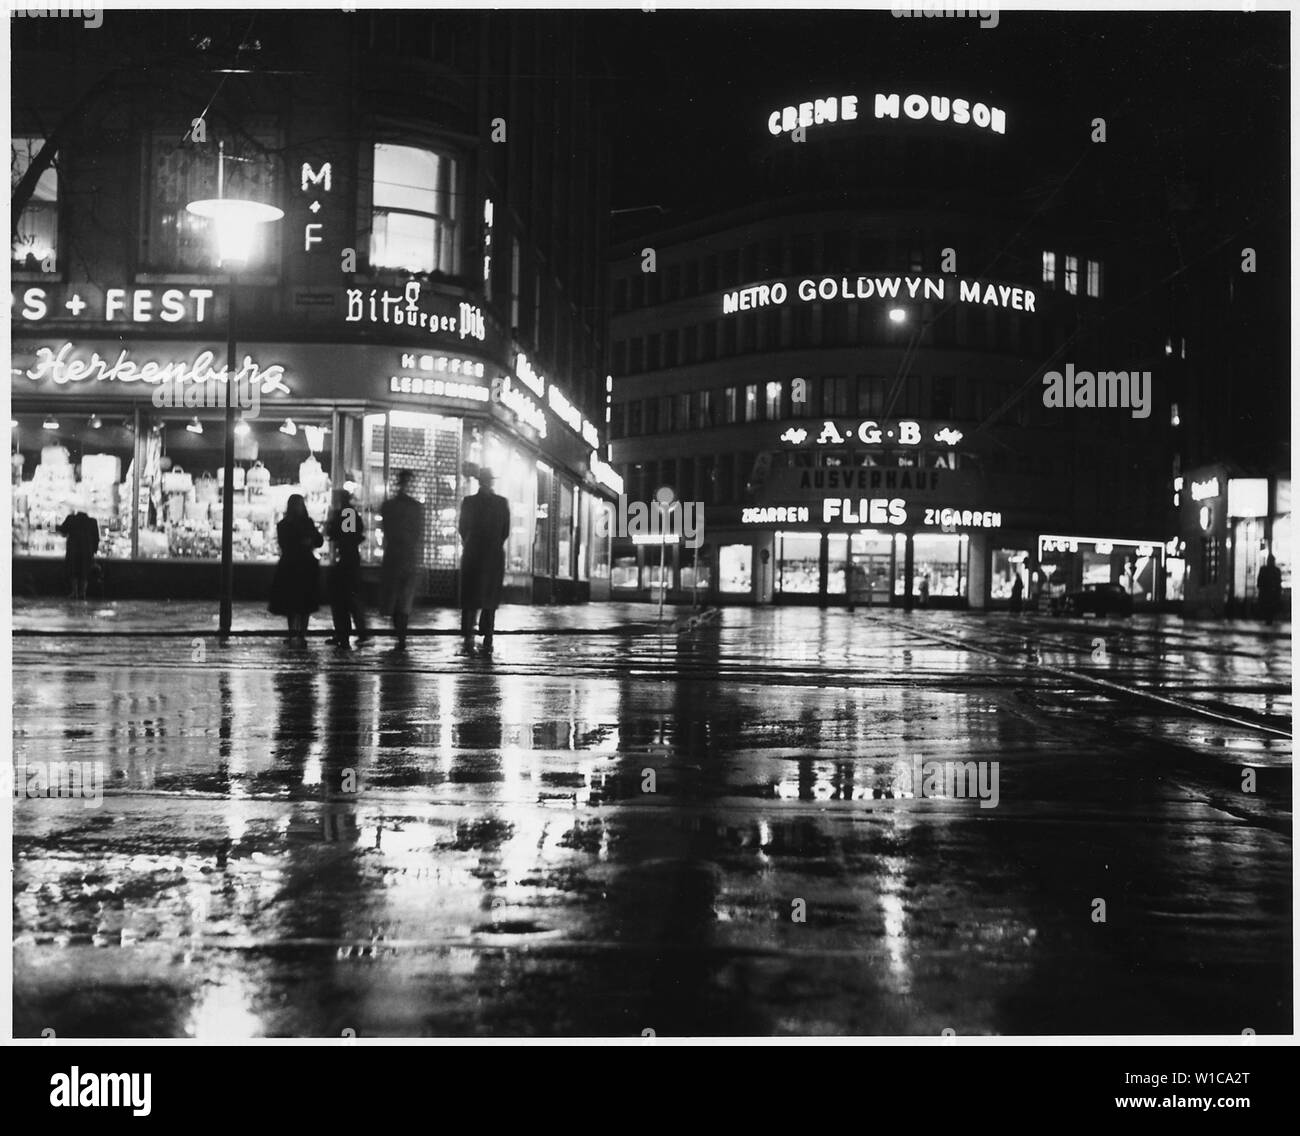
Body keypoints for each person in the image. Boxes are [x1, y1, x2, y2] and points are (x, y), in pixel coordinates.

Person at [458, 467, 511, 658]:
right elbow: (505, 531)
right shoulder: (501, 503)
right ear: (491, 482)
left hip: (474, 553)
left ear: (480, 482)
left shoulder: (469, 502)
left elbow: (462, 528)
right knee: (489, 599)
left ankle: (469, 638)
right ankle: (487, 638)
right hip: (493, 555)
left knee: (471, 598)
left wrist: (471, 541)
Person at [268, 494, 324, 647]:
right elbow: (318, 541)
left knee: (294, 603)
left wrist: (308, 540)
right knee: (301, 604)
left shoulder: (285, 524)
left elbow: (317, 540)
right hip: (302, 566)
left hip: (291, 566)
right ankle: (299, 634)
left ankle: (295, 633)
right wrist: (307, 540)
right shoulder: (304, 523)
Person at [379, 469, 425, 650]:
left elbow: (385, 529)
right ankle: (401, 636)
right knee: (404, 598)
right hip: (408, 556)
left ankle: (399, 633)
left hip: (393, 555)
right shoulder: (415, 508)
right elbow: (418, 533)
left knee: (395, 596)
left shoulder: (388, 506)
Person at [325, 488, 370, 650]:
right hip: (351, 559)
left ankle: (344, 633)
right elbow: (356, 532)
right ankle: (358, 631)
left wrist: (331, 522)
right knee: (352, 597)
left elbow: (337, 533)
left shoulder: (343, 514)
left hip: (345, 560)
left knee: (342, 599)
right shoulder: (351, 513)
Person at [57, 510, 100, 599]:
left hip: (73, 549)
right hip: (87, 551)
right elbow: (96, 537)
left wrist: (45, 526)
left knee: (73, 571)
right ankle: (82, 593)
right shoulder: (92, 521)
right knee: (84, 572)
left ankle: (74, 592)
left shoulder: (71, 519)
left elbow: (62, 530)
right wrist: (94, 551)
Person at [1257, 555, 1283, 623]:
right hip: (1272, 594)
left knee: (1267, 609)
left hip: (1265, 594)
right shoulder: (1276, 570)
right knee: (1271, 609)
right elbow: (1278, 582)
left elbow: (1259, 582)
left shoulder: (1263, 569)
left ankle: (1268, 620)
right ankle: (1269, 620)